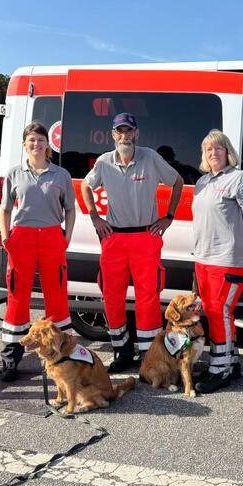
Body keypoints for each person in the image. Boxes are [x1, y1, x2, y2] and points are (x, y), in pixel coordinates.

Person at [80, 112, 184, 373]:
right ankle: (122, 350)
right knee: (111, 296)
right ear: (113, 134)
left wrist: (169, 216)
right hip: (114, 238)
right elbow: (85, 186)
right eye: (120, 131)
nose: (124, 136)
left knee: (147, 297)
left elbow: (178, 182)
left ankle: (150, 354)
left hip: (145, 237)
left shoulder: (150, 157)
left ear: (136, 133)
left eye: (129, 131)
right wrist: (94, 217)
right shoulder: (104, 162)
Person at [0, 121, 76, 382]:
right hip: (22, 238)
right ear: (24, 144)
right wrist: (5, 237)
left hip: (52, 236)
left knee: (57, 295)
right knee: (17, 296)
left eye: (41, 140)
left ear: (47, 144)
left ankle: (62, 353)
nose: (36, 144)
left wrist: (66, 237)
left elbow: (70, 209)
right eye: (31, 140)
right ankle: (11, 359)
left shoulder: (61, 175)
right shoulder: (14, 173)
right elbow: (5, 209)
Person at [192, 130, 243, 394]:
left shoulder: (240, 179)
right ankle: (230, 361)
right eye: (208, 149)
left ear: (228, 151)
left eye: (218, 148)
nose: (213, 153)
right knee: (215, 312)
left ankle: (220, 370)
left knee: (219, 311)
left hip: (228, 259)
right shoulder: (202, 182)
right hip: (203, 258)